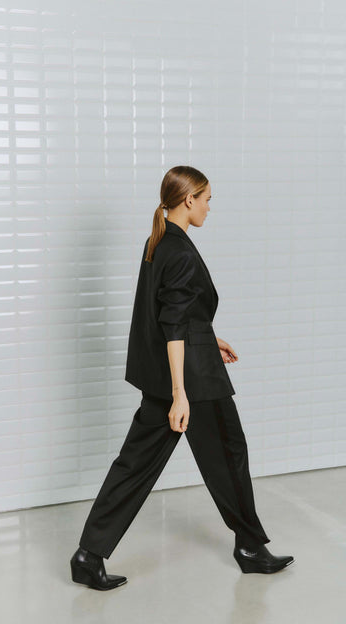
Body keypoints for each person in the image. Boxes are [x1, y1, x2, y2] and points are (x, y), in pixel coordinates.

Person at [70, 165, 294, 590]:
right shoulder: (181, 252)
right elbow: (172, 325)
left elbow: (176, 315)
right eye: (207, 200)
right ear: (189, 200)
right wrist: (180, 394)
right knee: (229, 455)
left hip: (172, 370)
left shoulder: (160, 242)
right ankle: (250, 547)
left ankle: (88, 555)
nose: (209, 207)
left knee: (134, 465)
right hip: (193, 381)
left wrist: (209, 338)